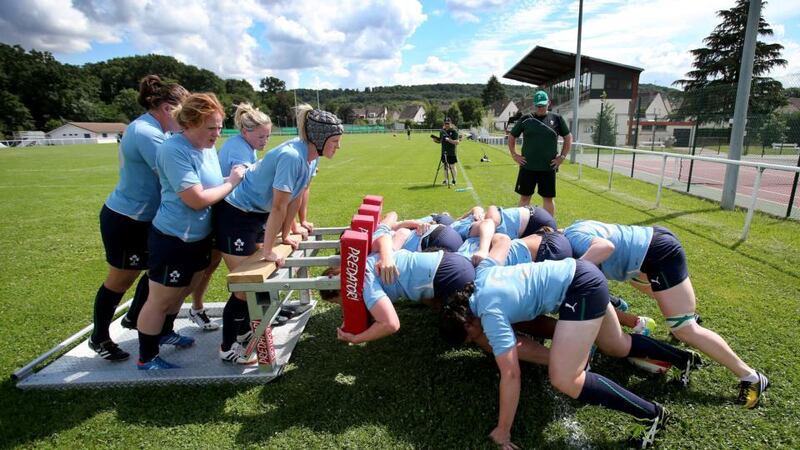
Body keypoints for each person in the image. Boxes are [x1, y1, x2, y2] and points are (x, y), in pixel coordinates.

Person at [440, 235, 701, 449]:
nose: (478, 340)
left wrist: (503, 431)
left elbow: (510, 374)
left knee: (564, 377)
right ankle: (684, 358)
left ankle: (652, 414)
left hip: (581, 288)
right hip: (584, 273)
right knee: (615, 345)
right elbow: (503, 240)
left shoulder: (489, 313)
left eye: (471, 338)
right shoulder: (481, 275)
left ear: (468, 323)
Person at [564, 220, 769, 407]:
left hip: (656, 254)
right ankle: (683, 308)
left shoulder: (571, 249)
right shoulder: (571, 230)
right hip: (647, 248)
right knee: (647, 289)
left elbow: (602, 257)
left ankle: (751, 377)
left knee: (684, 328)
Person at [215, 105, 342, 363]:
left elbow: (294, 198)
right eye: (335, 141)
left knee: (253, 286)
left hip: (256, 214)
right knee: (244, 286)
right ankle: (227, 346)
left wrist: (289, 233)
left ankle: (242, 333)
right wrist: (269, 250)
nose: (338, 147)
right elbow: (278, 205)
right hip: (235, 215)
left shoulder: (310, 156)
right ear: (319, 139)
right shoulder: (292, 156)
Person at [136, 93, 246, 370]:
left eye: (220, 127)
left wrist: (233, 180)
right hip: (174, 238)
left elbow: (209, 185)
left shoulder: (206, 148)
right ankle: (146, 357)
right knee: (160, 300)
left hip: (198, 237)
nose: (217, 133)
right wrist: (232, 182)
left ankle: (165, 332)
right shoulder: (174, 149)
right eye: (211, 128)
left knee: (180, 292)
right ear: (191, 123)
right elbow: (196, 199)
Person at [89, 75, 188, 361]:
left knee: (156, 271)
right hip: (126, 219)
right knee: (120, 279)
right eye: (184, 111)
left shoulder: (159, 130)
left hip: (147, 218)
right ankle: (99, 338)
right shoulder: (147, 132)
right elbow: (175, 176)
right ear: (169, 108)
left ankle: (135, 318)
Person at [188, 103, 273, 332]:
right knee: (226, 271)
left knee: (212, 265)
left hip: (224, 209)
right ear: (246, 132)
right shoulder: (238, 148)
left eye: (268, 135)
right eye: (261, 135)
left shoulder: (245, 145)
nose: (266, 140)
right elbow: (240, 182)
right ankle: (197, 309)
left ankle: (199, 308)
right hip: (222, 211)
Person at [508, 91, 572, 217]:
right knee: (524, 198)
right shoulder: (526, 119)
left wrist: (562, 157)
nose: (541, 108)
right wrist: (514, 155)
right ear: (534, 105)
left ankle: (548, 228)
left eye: (543, 105)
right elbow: (512, 136)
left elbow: (568, 137)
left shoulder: (557, 119)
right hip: (527, 167)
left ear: (549, 103)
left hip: (548, 167)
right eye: (538, 106)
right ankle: (522, 225)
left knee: (548, 199)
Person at [431, 117, 460, 185]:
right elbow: (441, 141)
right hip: (444, 152)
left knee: (452, 166)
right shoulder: (442, 131)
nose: (446, 125)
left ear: (450, 123)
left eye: (448, 123)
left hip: (451, 152)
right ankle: (446, 180)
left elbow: (457, 142)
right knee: (445, 167)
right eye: (445, 123)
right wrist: (435, 140)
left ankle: (454, 180)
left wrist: (449, 140)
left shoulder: (454, 131)